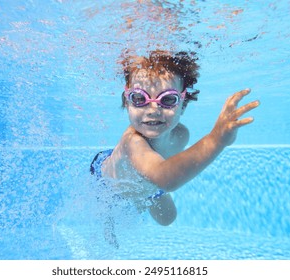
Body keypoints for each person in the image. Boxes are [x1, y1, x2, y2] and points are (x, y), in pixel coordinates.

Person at [90, 50, 260, 228]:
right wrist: (216, 140)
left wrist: (151, 184)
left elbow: (164, 169)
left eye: (168, 99)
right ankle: (108, 220)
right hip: (107, 179)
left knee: (167, 218)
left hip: (148, 179)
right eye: (139, 98)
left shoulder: (180, 135)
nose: (153, 110)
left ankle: (142, 193)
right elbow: (165, 177)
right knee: (109, 211)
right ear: (127, 103)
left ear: (183, 105)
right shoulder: (132, 142)